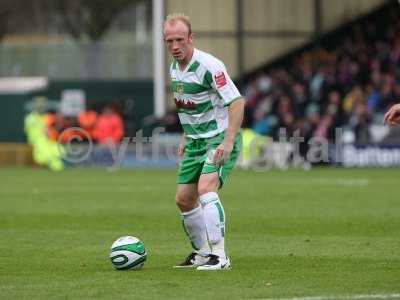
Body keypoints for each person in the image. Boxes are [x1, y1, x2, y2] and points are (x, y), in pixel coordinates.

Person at [164, 13, 245, 270]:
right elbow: (190, 108)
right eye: (169, 41)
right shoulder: (175, 69)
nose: (175, 46)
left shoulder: (209, 65)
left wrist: (229, 142)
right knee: (184, 199)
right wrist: (186, 137)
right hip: (196, 141)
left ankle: (220, 256)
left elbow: (237, 101)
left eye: (179, 40)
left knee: (206, 188)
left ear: (191, 38)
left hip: (218, 138)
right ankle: (201, 252)